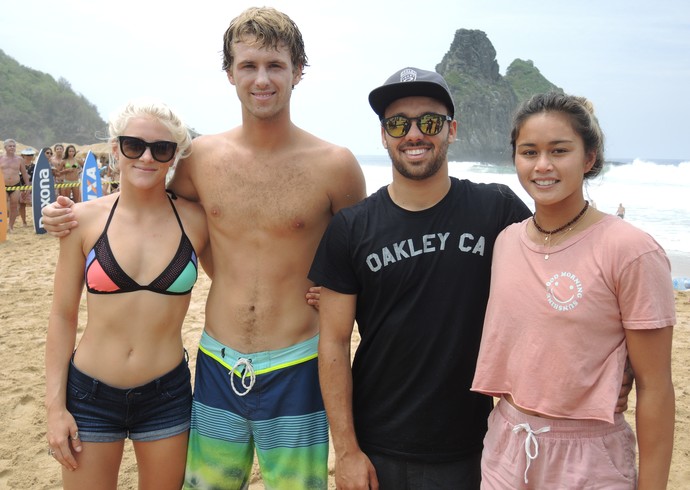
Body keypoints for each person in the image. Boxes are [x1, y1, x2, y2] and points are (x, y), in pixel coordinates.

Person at [41, 7, 366, 489]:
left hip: (298, 362)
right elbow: (148, 210)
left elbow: (361, 254)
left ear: (298, 72)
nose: (262, 79)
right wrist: (71, 214)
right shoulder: (201, 159)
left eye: (275, 65)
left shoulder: (336, 166)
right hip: (216, 361)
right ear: (230, 72)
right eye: (248, 65)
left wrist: (333, 291)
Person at [308, 67, 533, 489]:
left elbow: (556, 258)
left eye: (429, 121)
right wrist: (348, 451)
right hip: (378, 446)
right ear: (383, 135)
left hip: (473, 444)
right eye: (398, 123)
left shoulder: (497, 210)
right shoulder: (352, 228)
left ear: (451, 130)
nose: (414, 134)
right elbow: (334, 341)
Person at [471, 93, 675, 488]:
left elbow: (655, 387)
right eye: (529, 152)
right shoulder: (506, 242)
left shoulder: (631, 250)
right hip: (506, 446)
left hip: (590, 457)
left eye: (559, 151)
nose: (543, 165)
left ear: (588, 159)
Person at [45, 99, 209, 489]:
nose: (147, 157)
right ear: (116, 149)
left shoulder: (197, 221)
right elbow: (62, 315)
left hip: (166, 395)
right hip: (89, 395)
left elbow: (239, 279)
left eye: (162, 148)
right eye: (134, 145)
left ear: (174, 157)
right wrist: (54, 410)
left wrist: (313, 289)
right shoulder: (82, 219)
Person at [0, 139, 31, 232]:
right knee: (2, 206)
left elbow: (24, 173)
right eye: (10, 146)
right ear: (5, 147)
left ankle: (11, 226)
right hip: (3, 185)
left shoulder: (19, 159)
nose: (12, 147)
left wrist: (28, 186)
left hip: (16, 185)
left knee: (14, 206)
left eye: (13, 146)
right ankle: (2, 226)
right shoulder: (1, 158)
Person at [18, 147, 37, 226]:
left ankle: (35, 221)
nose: (30, 156)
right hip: (20, 186)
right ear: (23, 155)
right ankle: (24, 221)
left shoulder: (35, 166)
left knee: (34, 204)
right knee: (22, 204)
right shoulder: (19, 166)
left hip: (32, 186)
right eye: (27, 154)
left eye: (31, 154)